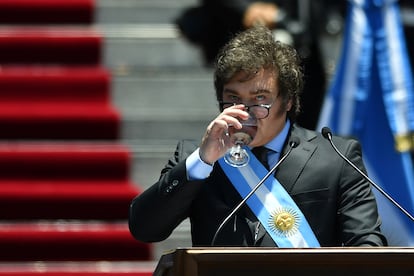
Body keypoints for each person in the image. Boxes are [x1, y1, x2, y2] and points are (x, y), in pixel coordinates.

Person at [129, 25, 387, 247]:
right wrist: (203, 162)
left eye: (260, 99)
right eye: (233, 99)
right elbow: (144, 229)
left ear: (288, 101)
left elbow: (367, 244)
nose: (244, 113)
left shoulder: (336, 157)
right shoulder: (197, 159)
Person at [176, 0, 347, 130]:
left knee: (305, 125)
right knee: (246, 123)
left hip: (308, 50)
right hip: (248, 46)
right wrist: (254, 9)